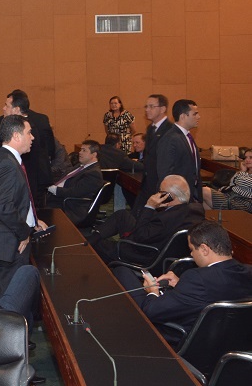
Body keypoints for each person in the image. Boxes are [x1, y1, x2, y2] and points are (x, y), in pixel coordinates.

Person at [114, 221, 252, 344]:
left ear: (204, 249)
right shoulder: (248, 271)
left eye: (192, 249)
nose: (191, 254)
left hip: (184, 341)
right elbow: (214, 291)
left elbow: (151, 311)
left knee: (122, 272)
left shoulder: (196, 278)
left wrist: (153, 292)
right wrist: (181, 284)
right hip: (230, 343)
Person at [0, 115, 48, 293]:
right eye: (29, 133)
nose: (32, 137)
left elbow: (17, 199)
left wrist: (33, 221)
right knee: (11, 296)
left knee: (10, 292)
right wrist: (24, 232)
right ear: (16, 136)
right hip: (12, 241)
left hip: (8, 238)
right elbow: (3, 206)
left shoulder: (3, 158)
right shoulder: (6, 164)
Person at [89, 175, 204, 265]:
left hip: (145, 254)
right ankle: (92, 237)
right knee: (122, 215)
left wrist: (150, 207)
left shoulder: (165, 219)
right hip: (154, 241)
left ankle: (88, 243)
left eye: (160, 191)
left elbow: (140, 235)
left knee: (99, 245)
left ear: (169, 196)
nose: (157, 194)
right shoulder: (195, 210)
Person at [0, 89, 55, 206]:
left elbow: (50, 149)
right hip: (12, 176)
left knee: (35, 211)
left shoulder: (41, 120)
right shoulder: (1, 121)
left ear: (16, 109)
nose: (3, 108)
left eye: (6, 105)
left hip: (36, 179)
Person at [46, 140, 105, 223]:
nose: (80, 152)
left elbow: (74, 192)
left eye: (84, 150)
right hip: (59, 198)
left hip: (70, 206)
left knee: (37, 208)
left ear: (94, 154)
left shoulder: (94, 173)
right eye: (81, 150)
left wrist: (52, 189)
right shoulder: (80, 166)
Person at [156, 99, 202, 203]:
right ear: (183, 116)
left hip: (190, 194)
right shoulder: (170, 138)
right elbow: (165, 173)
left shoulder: (187, 136)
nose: (198, 117)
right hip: (177, 198)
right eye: (195, 114)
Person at [135, 94, 173, 216]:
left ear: (162, 109)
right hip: (148, 180)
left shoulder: (170, 130)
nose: (147, 110)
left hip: (160, 182)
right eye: (146, 106)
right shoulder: (150, 129)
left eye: (151, 106)